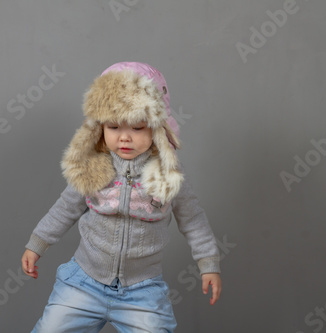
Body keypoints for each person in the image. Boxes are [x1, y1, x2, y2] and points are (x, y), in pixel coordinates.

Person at [21, 62, 221, 332]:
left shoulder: (167, 173)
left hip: (142, 291)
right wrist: (37, 244)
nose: (125, 137)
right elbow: (65, 208)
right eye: (114, 127)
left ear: (157, 128)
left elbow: (193, 219)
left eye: (138, 128)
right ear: (99, 126)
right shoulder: (93, 166)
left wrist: (208, 264)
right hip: (84, 282)